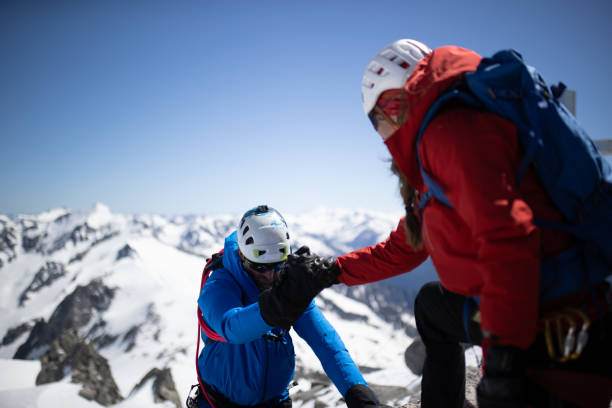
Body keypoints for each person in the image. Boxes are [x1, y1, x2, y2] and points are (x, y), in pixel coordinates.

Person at [285, 40, 612, 407]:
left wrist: (505, 361)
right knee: (433, 305)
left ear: (417, 90)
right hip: (530, 299)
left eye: (392, 107)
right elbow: (407, 247)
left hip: (552, 319)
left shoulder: (449, 132)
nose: (389, 126)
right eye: (379, 119)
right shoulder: (443, 139)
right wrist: (331, 271)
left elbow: (509, 240)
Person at [192, 205, 384, 408]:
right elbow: (232, 327)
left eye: (278, 266)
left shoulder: (285, 285)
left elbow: (325, 342)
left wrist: (358, 393)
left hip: (276, 402)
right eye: (259, 267)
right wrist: (279, 303)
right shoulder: (220, 283)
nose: (270, 277)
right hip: (219, 403)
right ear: (241, 255)